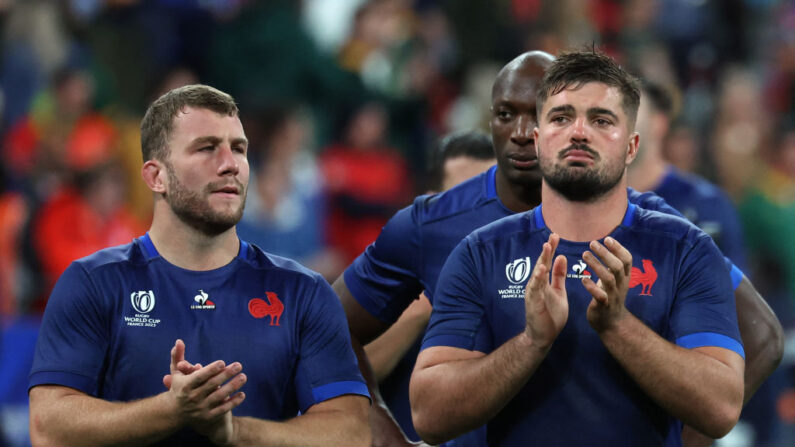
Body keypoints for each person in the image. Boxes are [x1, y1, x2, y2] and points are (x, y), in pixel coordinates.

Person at [335, 50, 783, 446]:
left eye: (600, 120)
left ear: (631, 147)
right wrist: (530, 342)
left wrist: (620, 329)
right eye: (560, 117)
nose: (575, 132)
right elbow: (420, 408)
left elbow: (742, 370)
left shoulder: (679, 243)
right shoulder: (467, 246)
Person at [28, 84, 371, 446]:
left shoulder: (303, 292)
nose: (230, 165)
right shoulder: (93, 282)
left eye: (238, 149)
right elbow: (48, 430)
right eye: (207, 148)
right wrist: (170, 411)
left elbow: (352, 434)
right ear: (155, 176)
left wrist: (234, 432)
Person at [627, 80, 748, 271]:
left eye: (629, 108)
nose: (618, 121)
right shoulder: (586, 203)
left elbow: (731, 290)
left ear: (658, 122)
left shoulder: (706, 204)